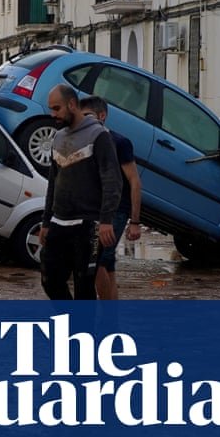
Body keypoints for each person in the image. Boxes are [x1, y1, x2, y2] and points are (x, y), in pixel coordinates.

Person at [38, 84, 122, 300]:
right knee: (50, 279)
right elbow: (53, 183)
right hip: (59, 222)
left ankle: (82, 331)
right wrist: (46, 222)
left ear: (72, 104)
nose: (52, 114)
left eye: (57, 108)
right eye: (51, 109)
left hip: (89, 225)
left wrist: (105, 221)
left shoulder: (99, 136)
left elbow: (112, 181)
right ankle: (73, 323)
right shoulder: (58, 138)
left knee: (84, 285)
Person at [80, 95, 142, 300]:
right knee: (107, 266)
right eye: (81, 116)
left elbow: (134, 182)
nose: (84, 120)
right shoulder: (83, 142)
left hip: (115, 212)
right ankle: (112, 319)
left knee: (97, 264)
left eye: (88, 115)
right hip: (93, 211)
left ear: (102, 116)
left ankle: (105, 318)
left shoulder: (119, 143)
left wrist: (135, 221)